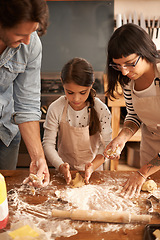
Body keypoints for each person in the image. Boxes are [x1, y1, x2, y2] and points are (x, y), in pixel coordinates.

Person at [104, 23, 160, 198]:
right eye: (118, 66)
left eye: (129, 64)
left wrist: (142, 172)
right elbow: (134, 115)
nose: (124, 71)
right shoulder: (128, 81)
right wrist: (122, 137)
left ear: (145, 52)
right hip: (151, 143)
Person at [0, 0, 50, 187]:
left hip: (6, 130)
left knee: (6, 192)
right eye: (21, 34)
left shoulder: (31, 44)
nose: (28, 41)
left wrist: (38, 158)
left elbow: (27, 104)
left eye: (33, 32)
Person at [43, 57, 112, 184]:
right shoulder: (56, 108)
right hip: (63, 173)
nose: (76, 98)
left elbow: (108, 145)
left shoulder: (101, 109)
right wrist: (60, 166)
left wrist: (93, 166)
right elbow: (48, 144)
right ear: (62, 83)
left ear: (91, 85)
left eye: (82, 92)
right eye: (69, 92)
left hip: (94, 173)